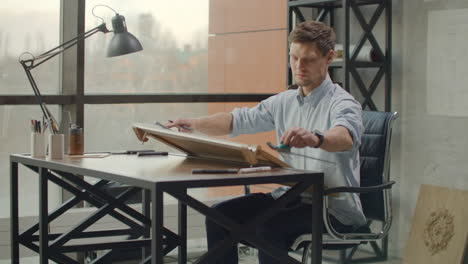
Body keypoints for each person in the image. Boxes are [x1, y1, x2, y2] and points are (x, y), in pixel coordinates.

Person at [167, 20, 366, 264]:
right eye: (294, 58)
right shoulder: (284, 101)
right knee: (218, 215)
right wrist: (194, 124)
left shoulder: (343, 103)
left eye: (309, 59)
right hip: (288, 197)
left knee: (267, 228)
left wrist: (316, 138)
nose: (299, 66)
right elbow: (236, 121)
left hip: (332, 209)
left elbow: (344, 137)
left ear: (329, 58)